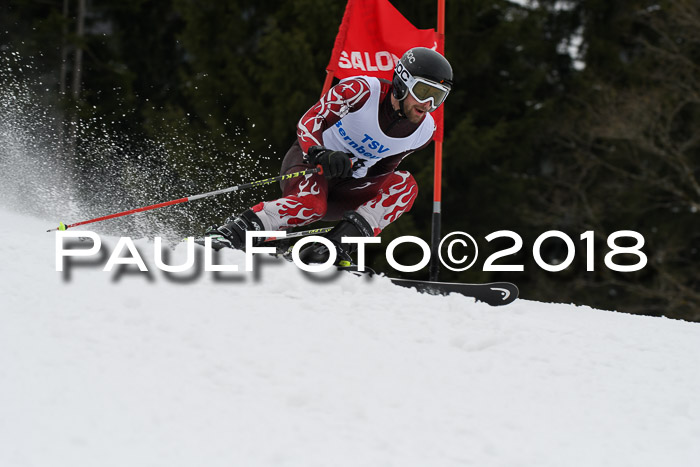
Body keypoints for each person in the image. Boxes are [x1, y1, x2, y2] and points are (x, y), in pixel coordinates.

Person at [207, 46, 453, 265]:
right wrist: (320, 152)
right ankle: (231, 234)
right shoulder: (362, 91)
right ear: (402, 81)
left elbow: (385, 168)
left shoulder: (424, 131)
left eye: (438, 96)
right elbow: (311, 120)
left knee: (405, 186)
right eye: (423, 91)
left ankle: (331, 248)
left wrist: (361, 173)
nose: (428, 103)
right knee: (313, 205)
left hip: (348, 185)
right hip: (310, 166)